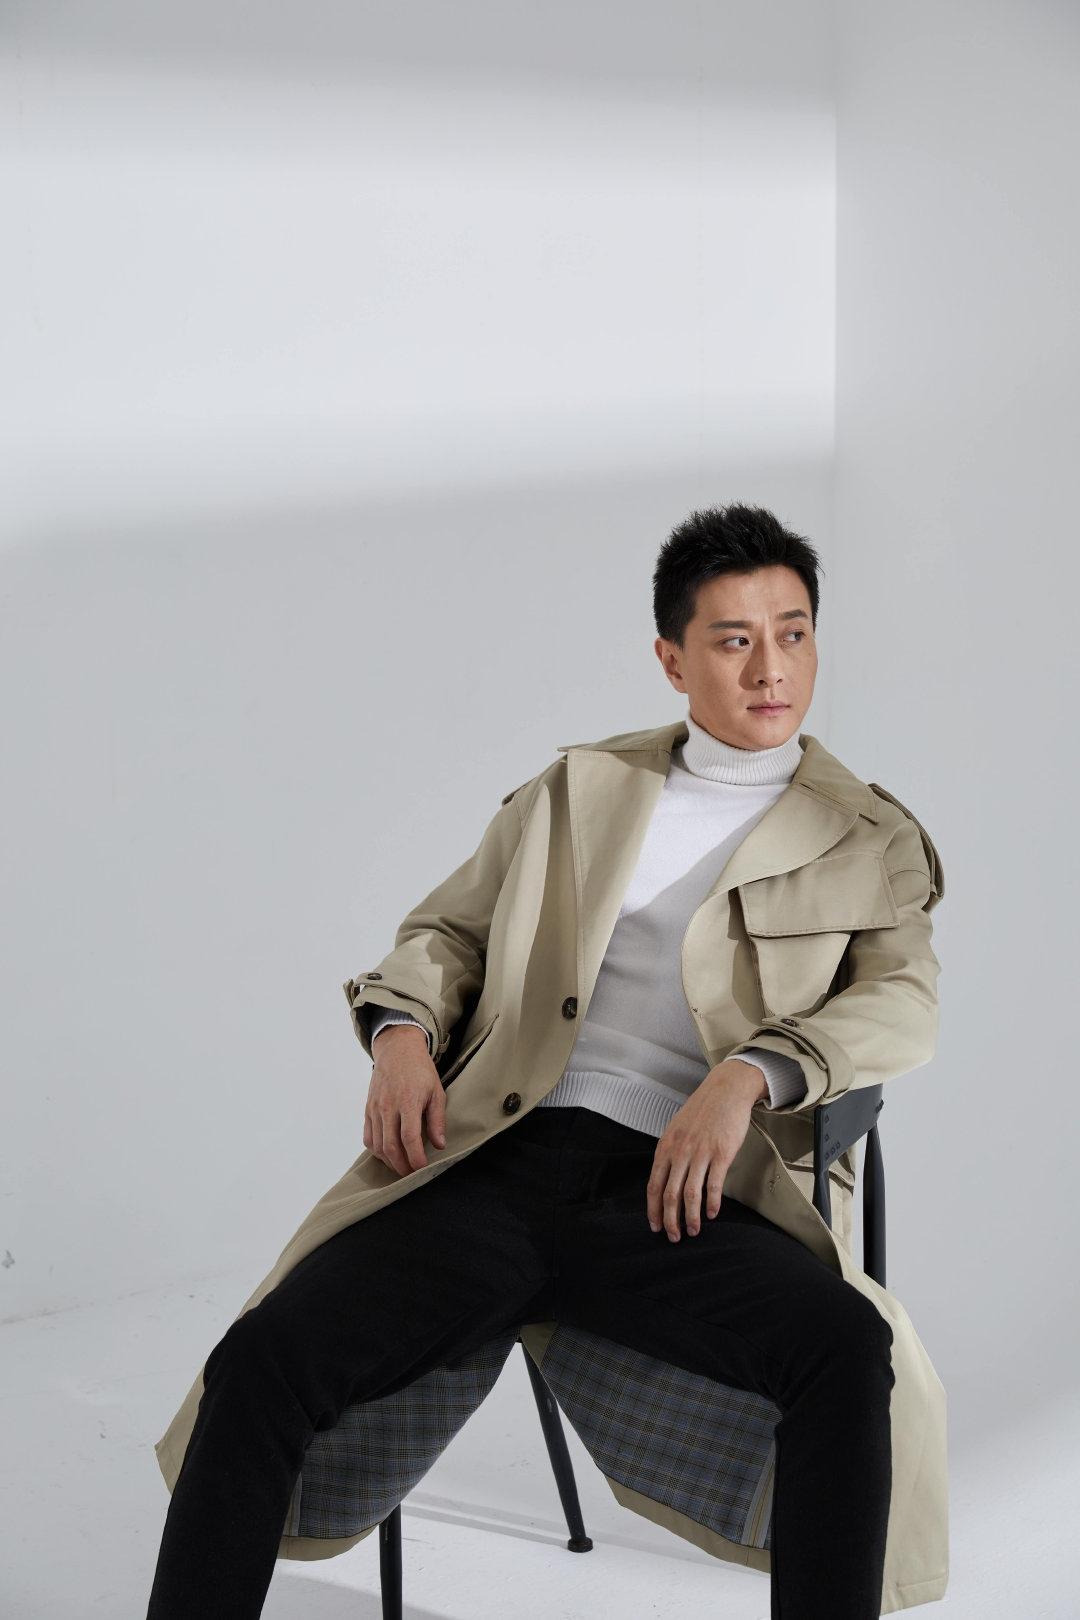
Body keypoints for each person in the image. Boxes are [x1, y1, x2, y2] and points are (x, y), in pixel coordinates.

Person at [147, 502, 944, 1619]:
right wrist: (400, 1034)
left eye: (794, 633)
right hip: (497, 1161)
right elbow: (448, 932)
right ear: (672, 659)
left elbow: (903, 1000)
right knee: (263, 1358)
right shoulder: (580, 789)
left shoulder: (868, 836)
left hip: (686, 1193)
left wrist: (750, 1073)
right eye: (734, 640)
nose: (772, 669)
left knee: (847, 1349)